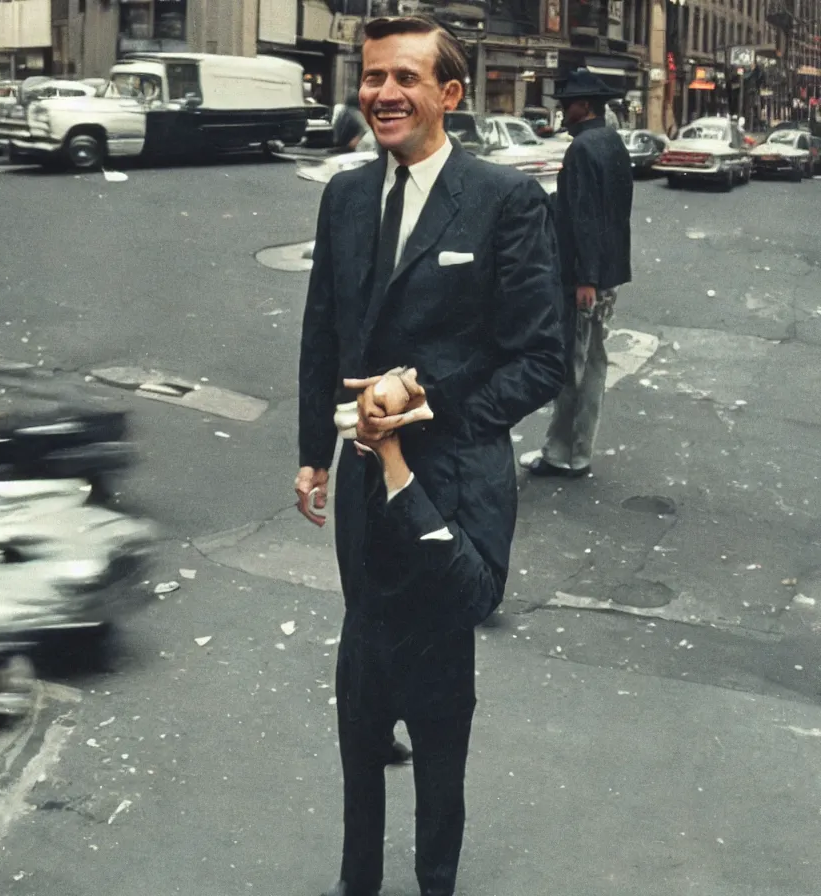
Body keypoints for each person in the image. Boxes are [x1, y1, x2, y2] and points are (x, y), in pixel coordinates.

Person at [295, 14, 565, 896]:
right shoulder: (343, 196)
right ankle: (356, 880)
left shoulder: (504, 202)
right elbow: (324, 331)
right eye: (373, 77)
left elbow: (540, 361)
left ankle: (435, 880)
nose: (382, 93)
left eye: (405, 78)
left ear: (450, 94)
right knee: (362, 692)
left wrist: (424, 407)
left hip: (449, 490)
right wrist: (312, 454)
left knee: (439, 716)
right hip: (363, 500)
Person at [522, 68, 633, 479]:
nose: (562, 110)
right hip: (607, 271)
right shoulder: (612, 142)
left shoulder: (583, 149)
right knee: (593, 363)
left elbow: (585, 218)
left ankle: (560, 453)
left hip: (584, 276)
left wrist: (584, 277)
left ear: (585, 105)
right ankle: (579, 451)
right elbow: (610, 212)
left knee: (574, 367)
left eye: (567, 103)